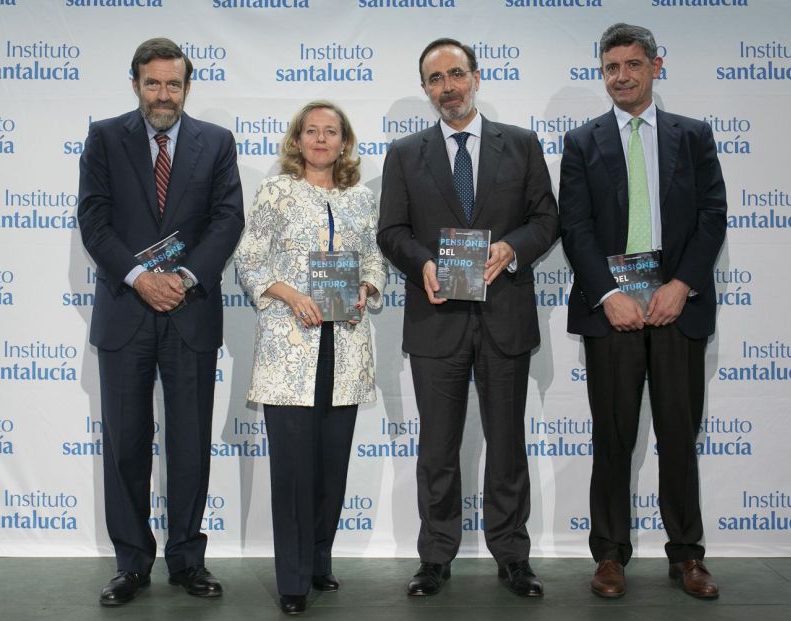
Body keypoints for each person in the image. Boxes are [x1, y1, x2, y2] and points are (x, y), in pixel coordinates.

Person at [378, 38, 558, 598]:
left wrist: (511, 248)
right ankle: (434, 556)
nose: (448, 87)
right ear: (426, 88)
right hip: (436, 321)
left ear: (476, 77)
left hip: (504, 316)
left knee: (507, 444)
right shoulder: (406, 153)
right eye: (435, 79)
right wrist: (424, 263)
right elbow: (391, 233)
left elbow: (546, 219)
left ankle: (512, 555)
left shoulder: (522, 145)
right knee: (437, 448)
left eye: (456, 74)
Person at [559, 23, 727, 600]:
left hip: (677, 309)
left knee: (680, 437)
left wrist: (681, 284)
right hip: (613, 313)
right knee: (612, 439)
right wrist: (609, 295)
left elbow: (713, 217)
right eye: (611, 67)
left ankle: (688, 557)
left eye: (633, 64)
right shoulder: (582, 142)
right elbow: (574, 227)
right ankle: (609, 555)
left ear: (657, 66)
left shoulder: (694, 136)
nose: (622, 76)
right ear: (601, 73)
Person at [77, 37, 243, 606]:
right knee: (125, 443)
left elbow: (227, 220)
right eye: (153, 83)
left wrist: (186, 278)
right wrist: (139, 278)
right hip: (126, 312)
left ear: (186, 87)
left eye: (174, 84)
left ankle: (188, 561)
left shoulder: (216, 143)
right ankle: (131, 563)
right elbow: (93, 221)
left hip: (189, 312)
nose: (164, 94)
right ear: (135, 84)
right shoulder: (104, 138)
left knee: (190, 443)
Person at [235, 101, 387, 615]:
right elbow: (249, 261)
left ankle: (320, 560)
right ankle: (293, 580)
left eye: (331, 131)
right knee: (294, 471)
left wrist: (366, 285)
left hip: (343, 347)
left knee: (331, 468)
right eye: (311, 131)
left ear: (344, 142)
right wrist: (290, 294)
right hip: (289, 347)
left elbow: (373, 258)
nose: (321, 139)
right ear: (296, 140)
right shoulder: (276, 191)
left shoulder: (361, 198)